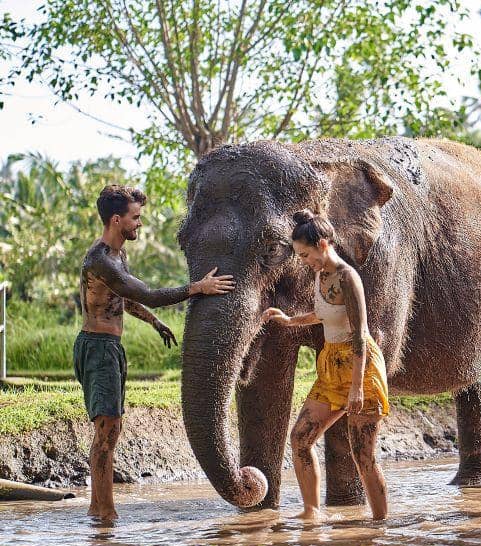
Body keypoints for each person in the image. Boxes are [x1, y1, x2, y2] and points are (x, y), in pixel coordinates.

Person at [76, 185, 234, 521]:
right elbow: (148, 293)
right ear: (116, 219)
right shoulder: (101, 259)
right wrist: (197, 288)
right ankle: (105, 515)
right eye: (135, 218)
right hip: (98, 350)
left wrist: (155, 322)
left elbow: (126, 298)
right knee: (106, 432)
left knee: (111, 431)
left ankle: (98, 510)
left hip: (109, 348)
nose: (140, 224)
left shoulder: (118, 256)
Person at [263, 210, 389, 521]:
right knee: (300, 439)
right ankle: (311, 512)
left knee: (363, 456)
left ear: (322, 244)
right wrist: (290, 320)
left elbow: (361, 333)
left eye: (305, 254)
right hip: (331, 364)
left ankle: (380, 525)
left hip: (361, 366)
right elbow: (324, 314)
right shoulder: (321, 274)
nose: (304, 261)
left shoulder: (348, 277)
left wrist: (358, 387)